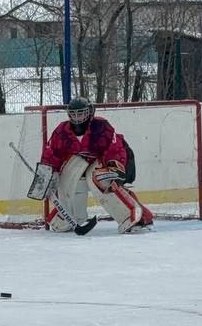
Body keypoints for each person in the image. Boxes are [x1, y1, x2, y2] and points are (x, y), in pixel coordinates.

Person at [26, 97, 153, 234]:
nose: (77, 117)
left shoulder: (101, 127)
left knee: (100, 179)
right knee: (65, 176)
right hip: (84, 163)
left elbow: (115, 149)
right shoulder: (61, 131)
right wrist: (45, 177)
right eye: (73, 114)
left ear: (90, 112)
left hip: (118, 160)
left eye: (81, 113)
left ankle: (134, 216)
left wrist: (115, 166)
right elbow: (51, 154)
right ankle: (69, 217)